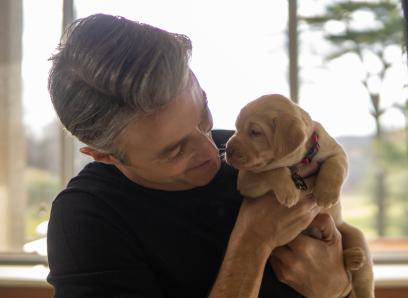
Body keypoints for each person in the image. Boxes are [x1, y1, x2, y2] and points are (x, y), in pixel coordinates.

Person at [46, 13, 353, 298]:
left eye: (203, 114)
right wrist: (252, 243)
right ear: (103, 156)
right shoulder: (86, 221)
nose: (213, 151)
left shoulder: (254, 153)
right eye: (175, 150)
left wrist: (338, 289)